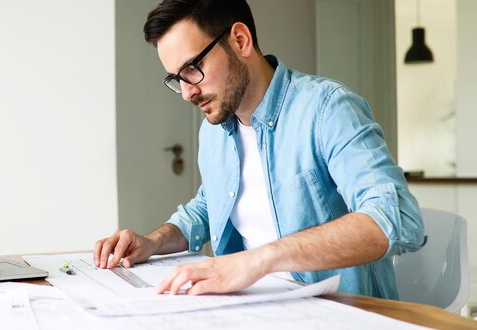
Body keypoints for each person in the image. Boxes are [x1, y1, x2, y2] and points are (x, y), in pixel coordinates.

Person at [94, 0, 425, 299]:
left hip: (339, 312)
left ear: (240, 40)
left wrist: (258, 260)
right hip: (252, 310)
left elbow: (395, 219)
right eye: (176, 79)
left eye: (192, 69)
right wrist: (153, 242)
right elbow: (209, 206)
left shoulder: (328, 109)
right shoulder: (215, 130)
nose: (186, 93)